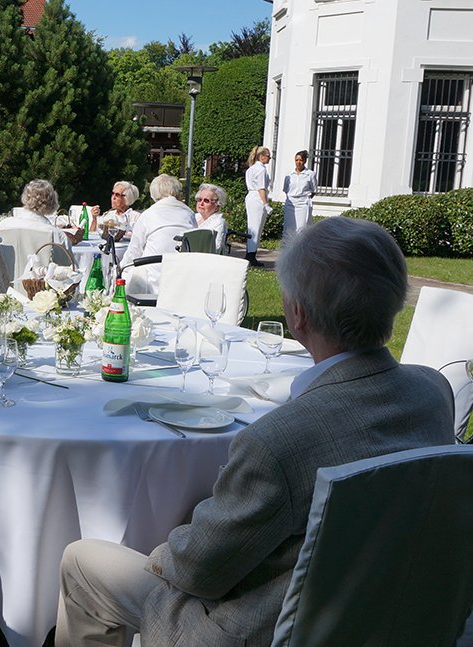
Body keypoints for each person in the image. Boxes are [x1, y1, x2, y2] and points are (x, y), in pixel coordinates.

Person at [55, 216, 455, 647]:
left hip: (264, 630)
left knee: (82, 561)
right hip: (387, 613)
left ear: (296, 313)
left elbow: (198, 571)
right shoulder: (434, 391)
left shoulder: (279, 442)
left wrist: (162, 545)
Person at [119, 174, 196, 295]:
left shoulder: (149, 215)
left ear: (154, 194)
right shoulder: (189, 214)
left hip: (153, 279)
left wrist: (120, 269)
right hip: (182, 278)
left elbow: (134, 250)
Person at [0, 179, 73, 250]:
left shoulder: (5, 224)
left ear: (25, 197)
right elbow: (68, 264)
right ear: (52, 201)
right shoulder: (57, 235)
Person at [244, 145, 273, 267]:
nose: (269, 158)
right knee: (256, 227)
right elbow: (261, 188)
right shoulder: (261, 170)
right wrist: (266, 203)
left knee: (252, 226)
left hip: (251, 196)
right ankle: (251, 255)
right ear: (261, 157)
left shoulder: (251, 169)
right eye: (268, 156)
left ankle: (250, 253)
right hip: (257, 198)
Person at [283, 150, 317, 239]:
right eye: (296, 160)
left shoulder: (310, 174)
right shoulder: (289, 175)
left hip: (303, 204)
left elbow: (313, 190)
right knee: (289, 227)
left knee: (301, 228)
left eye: (300, 160)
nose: (298, 162)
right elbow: (286, 189)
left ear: (305, 161)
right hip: (290, 204)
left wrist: (304, 197)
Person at [193, 183, 228, 253]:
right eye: (199, 199)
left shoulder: (219, 222)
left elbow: (216, 248)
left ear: (217, 205)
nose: (201, 203)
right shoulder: (194, 217)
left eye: (206, 201)